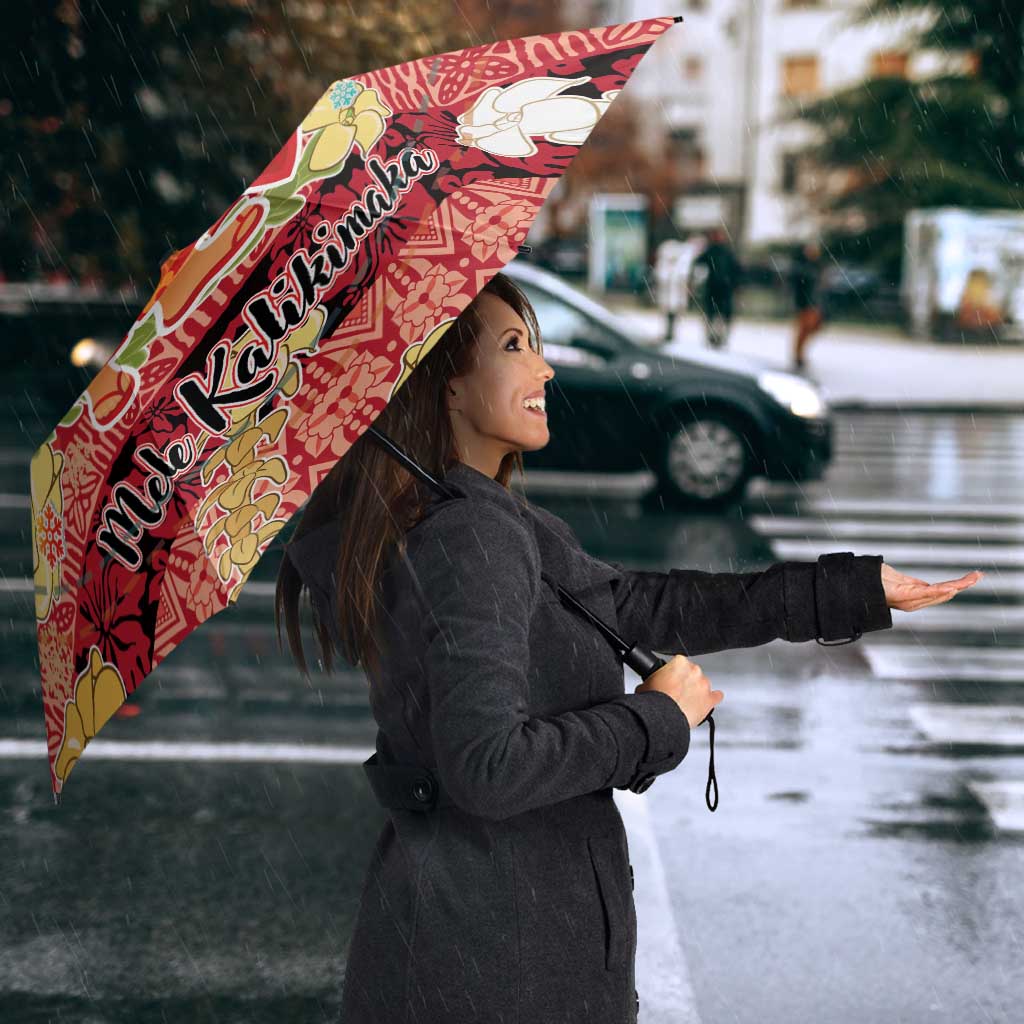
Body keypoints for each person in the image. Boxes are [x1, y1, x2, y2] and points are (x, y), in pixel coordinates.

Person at [276, 272, 971, 1024]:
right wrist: (656, 719)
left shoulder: (472, 517)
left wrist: (850, 591)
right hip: (498, 964)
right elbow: (488, 768)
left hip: (479, 944)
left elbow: (639, 605)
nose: (544, 368)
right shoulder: (469, 537)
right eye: (515, 347)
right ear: (446, 385)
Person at [692, 226, 742, 349]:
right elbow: (698, 264)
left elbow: (736, 270)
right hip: (715, 288)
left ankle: (719, 337)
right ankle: (713, 337)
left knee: (720, 315)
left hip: (723, 288)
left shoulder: (725, 252)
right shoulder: (712, 251)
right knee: (713, 314)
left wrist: (735, 284)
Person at [790, 239, 826, 371]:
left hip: (814, 303)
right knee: (804, 329)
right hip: (805, 303)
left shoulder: (817, 266)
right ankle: (798, 355)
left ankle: (800, 354)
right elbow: (799, 286)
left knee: (812, 328)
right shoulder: (802, 267)